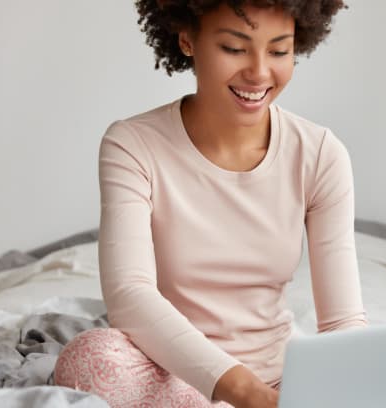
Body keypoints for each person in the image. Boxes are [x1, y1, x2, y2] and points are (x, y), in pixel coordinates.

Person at [53, 1, 367, 407]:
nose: (258, 72)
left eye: (278, 50)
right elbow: (130, 296)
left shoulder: (321, 154)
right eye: (234, 49)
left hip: (280, 379)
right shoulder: (133, 145)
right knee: (91, 360)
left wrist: (355, 378)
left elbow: (343, 322)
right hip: (172, 374)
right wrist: (245, 394)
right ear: (187, 39)